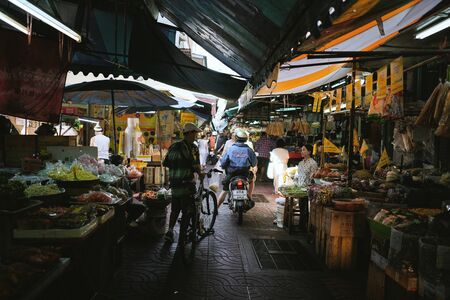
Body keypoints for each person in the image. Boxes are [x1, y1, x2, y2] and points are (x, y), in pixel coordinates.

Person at [162, 122, 203, 243]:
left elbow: (166, 163)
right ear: (189, 133)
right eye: (195, 133)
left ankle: (169, 231)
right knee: (189, 209)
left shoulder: (174, 146)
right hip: (187, 184)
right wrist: (201, 174)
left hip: (174, 183)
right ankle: (186, 232)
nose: (195, 135)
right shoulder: (193, 148)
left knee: (175, 209)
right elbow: (196, 166)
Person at [217, 129, 257, 208]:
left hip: (232, 173)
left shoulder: (231, 149)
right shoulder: (249, 150)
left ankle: (216, 208)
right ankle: (249, 197)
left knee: (225, 190)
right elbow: (254, 163)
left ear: (236, 138)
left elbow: (224, 163)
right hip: (245, 174)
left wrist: (223, 166)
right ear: (246, 139)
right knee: (251, 181)